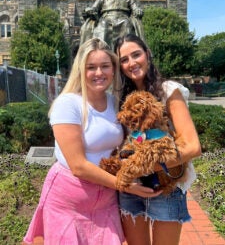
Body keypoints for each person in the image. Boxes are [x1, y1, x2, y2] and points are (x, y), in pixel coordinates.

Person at [23, 38, 162, 245]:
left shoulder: (114, 103)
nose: (99, 73)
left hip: (105, 201)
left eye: (105, 66)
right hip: (69, 203)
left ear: (113, 69)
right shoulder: (68, 103)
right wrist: (124, 185)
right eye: (91, 67)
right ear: (80, 70)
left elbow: (126, 144)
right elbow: (78, 166)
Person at [114, 34, 202, 245]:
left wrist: (141, 167)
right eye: (124, 59)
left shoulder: (168, 91)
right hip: (132, 189)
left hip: (166, 188)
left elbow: (193, 146)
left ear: (148, 54)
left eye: (136, 55)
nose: (131, 63)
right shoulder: (121, 97)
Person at [80, 0, 145, 49]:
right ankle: (103, 51)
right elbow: (94, 8)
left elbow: (135, 8)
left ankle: (126, 50)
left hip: (123, 19)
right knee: (103, 25)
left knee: (127, 24)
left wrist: (138, 10)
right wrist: (89, 9)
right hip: (106, 19)